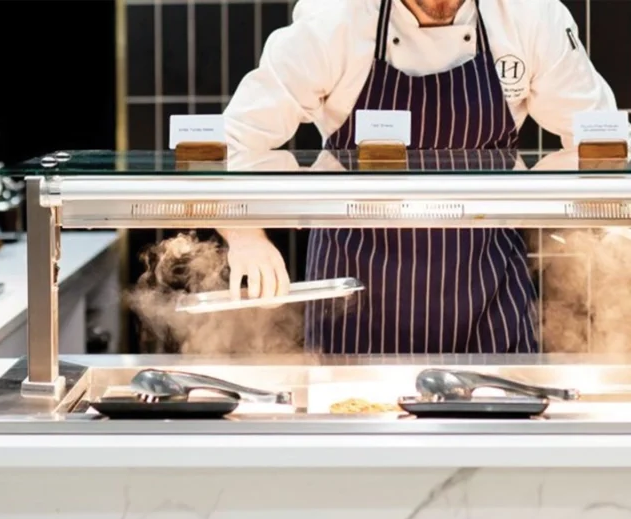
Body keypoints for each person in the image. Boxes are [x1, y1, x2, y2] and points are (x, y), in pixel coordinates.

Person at [221, 0, 617, 354]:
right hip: (355, 295)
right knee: (352, 411)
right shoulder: (333, 21)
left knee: (503, 411)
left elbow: (605, 145)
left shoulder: (528, 15)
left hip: (490, 290)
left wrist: (530, 200)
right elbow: (232, 147)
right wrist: (246, 237)